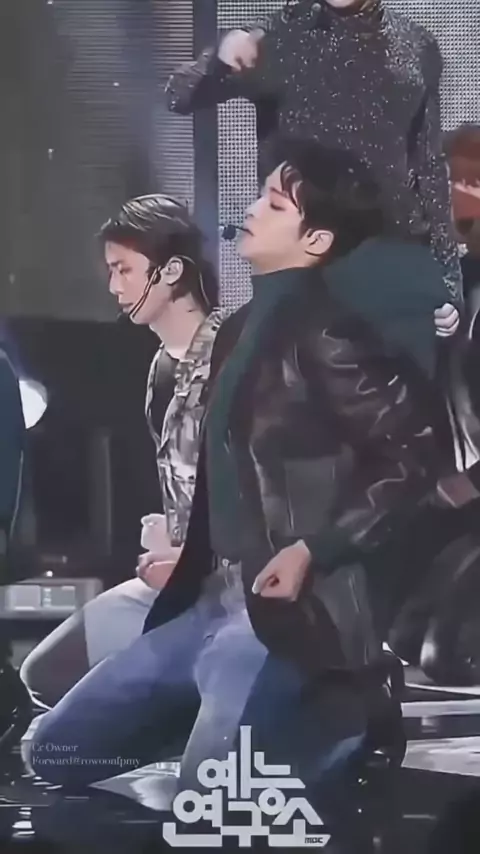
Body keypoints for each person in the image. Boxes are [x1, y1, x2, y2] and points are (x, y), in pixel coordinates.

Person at [27, 140, 449, 846]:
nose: (252, 209)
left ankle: (346, 711)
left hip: (282, 614)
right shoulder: (241, 331)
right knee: (56, 754)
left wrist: (316, 548)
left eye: (274, 204)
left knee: (216, 807)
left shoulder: (330, 332)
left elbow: (418, 453)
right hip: (209, 602)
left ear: (315, 240)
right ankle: (241, 729)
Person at [19, 194, 222, 708]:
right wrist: (168, 532)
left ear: (171, 271)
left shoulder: (232, 358)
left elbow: (263, 498)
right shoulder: (161, 369)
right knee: (44, 673)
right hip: (179, 579)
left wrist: (192, 560)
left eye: (124, 270)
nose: (114, 287)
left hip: (230, 588)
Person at [167, 0, 462, 321]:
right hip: (303, 265)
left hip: (390, 259)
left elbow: (429, 168)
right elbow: (179, 95)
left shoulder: (417, 45)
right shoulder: (282, 35)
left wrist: (448, 284)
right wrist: (221, 57)